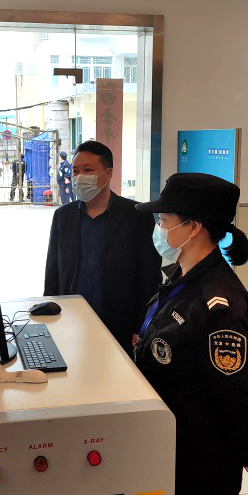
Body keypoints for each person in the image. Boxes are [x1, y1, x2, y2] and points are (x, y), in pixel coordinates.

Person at [134, 173, 248, 495]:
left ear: (193, 227)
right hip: (169, 435)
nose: (158, 227)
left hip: (201, 455)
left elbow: (238, 390)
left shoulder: (220, 304)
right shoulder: (180, 275)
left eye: (163, 219)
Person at [44, 140, 160, 354]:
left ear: (108, 174)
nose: (79, 177)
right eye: (76, 171)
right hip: (70, 320)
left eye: (88, 170)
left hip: (119, 325)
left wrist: (142, 327)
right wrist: (48, 315)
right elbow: (53, 272)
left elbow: (149, 277)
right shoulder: (63, 216)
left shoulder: (136, 215)